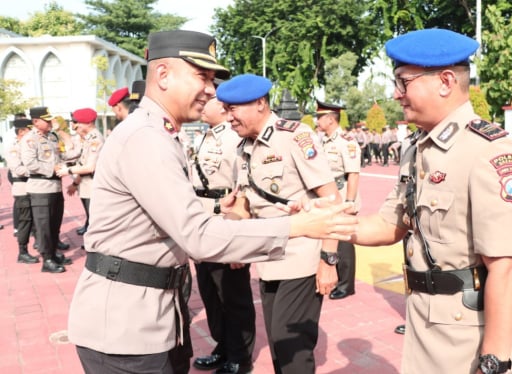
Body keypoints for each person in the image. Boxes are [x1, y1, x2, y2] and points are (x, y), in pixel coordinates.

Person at [66, 30, 355, 374]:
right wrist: (298, 225)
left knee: (286, 343)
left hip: (150, 315)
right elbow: (197, 236)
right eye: (201, 76)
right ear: (162, 75)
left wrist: (325, 252)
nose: (211, 89)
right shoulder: (147, 137)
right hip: (126, 326)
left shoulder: (160, 133)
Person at [347, 29, 512, 373]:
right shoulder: (417, 148)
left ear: (446, 81)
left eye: (404, 82)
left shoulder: (488, 151)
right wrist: (325, 223)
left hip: (469, 338)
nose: (395, 93)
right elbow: (391, 223)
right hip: (426, 323)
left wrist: (493, 362)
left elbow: (505, 268)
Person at [217, 74, 342, 374]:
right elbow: (246, 203)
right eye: (226, 109)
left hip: (301, 258)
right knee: (277, 345)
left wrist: (329, 259)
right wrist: (234, 239)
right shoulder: (243, 148)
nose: (229, 117)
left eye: (234, 108)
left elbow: (332, 200)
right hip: (268, 259)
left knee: (292, 350)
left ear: (260, 103)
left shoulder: (295, 136)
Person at [190, 95, 256, 374]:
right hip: (202, 220)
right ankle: (224, 346)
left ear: (222, 106)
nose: (201, 106)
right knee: (210, 291)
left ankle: (240, 356)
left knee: (232, 294)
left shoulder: (234, 138)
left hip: (226, 220)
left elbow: (244, 191)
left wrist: (240, 242)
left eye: (208, 101)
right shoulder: (204, 136)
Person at [20, 106, 76, 273]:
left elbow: (61, 155)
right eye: (47, 120)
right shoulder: (30, 139)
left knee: (54, 224)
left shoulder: (52, 136)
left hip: (55, 187)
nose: (51, 122)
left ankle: (53, 253)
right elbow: (30, 164)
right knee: (43, 226)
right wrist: (52, 169)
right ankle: (47, 260)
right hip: (41, 188)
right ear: (36, 122)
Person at [316, 100, 361, 300]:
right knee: (331, 237)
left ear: (330, 119)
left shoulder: (346, 141)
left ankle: (346, 285)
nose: (317, 120)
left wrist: (349, 203)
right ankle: (336, 278)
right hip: (329, 195)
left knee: (344, 242)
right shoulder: (323, 141)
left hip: (342, 194)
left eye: (319, 117)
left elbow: (353, 174)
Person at [56, 108, 104, 236]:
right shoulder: (87, 139)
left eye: (78, 123)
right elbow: (78, 155)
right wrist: (59, 154)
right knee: (91, 217)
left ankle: (96, 250)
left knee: (95, 221)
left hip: (92, 184)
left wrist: (68, 170)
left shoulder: (95, 139)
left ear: (88, 123)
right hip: (86, 185)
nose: (76, 126)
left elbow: (90, 167)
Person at [7, 118, 40, 264]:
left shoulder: (31, 143)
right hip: (23, 188)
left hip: (35, 185)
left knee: (39, 218)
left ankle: (40, 243)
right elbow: (18, 169)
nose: (32, 132)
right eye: (29, 129)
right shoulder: (14, 147)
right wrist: (38, 171)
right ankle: (23, 252)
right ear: (21, 132)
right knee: (25, 220)